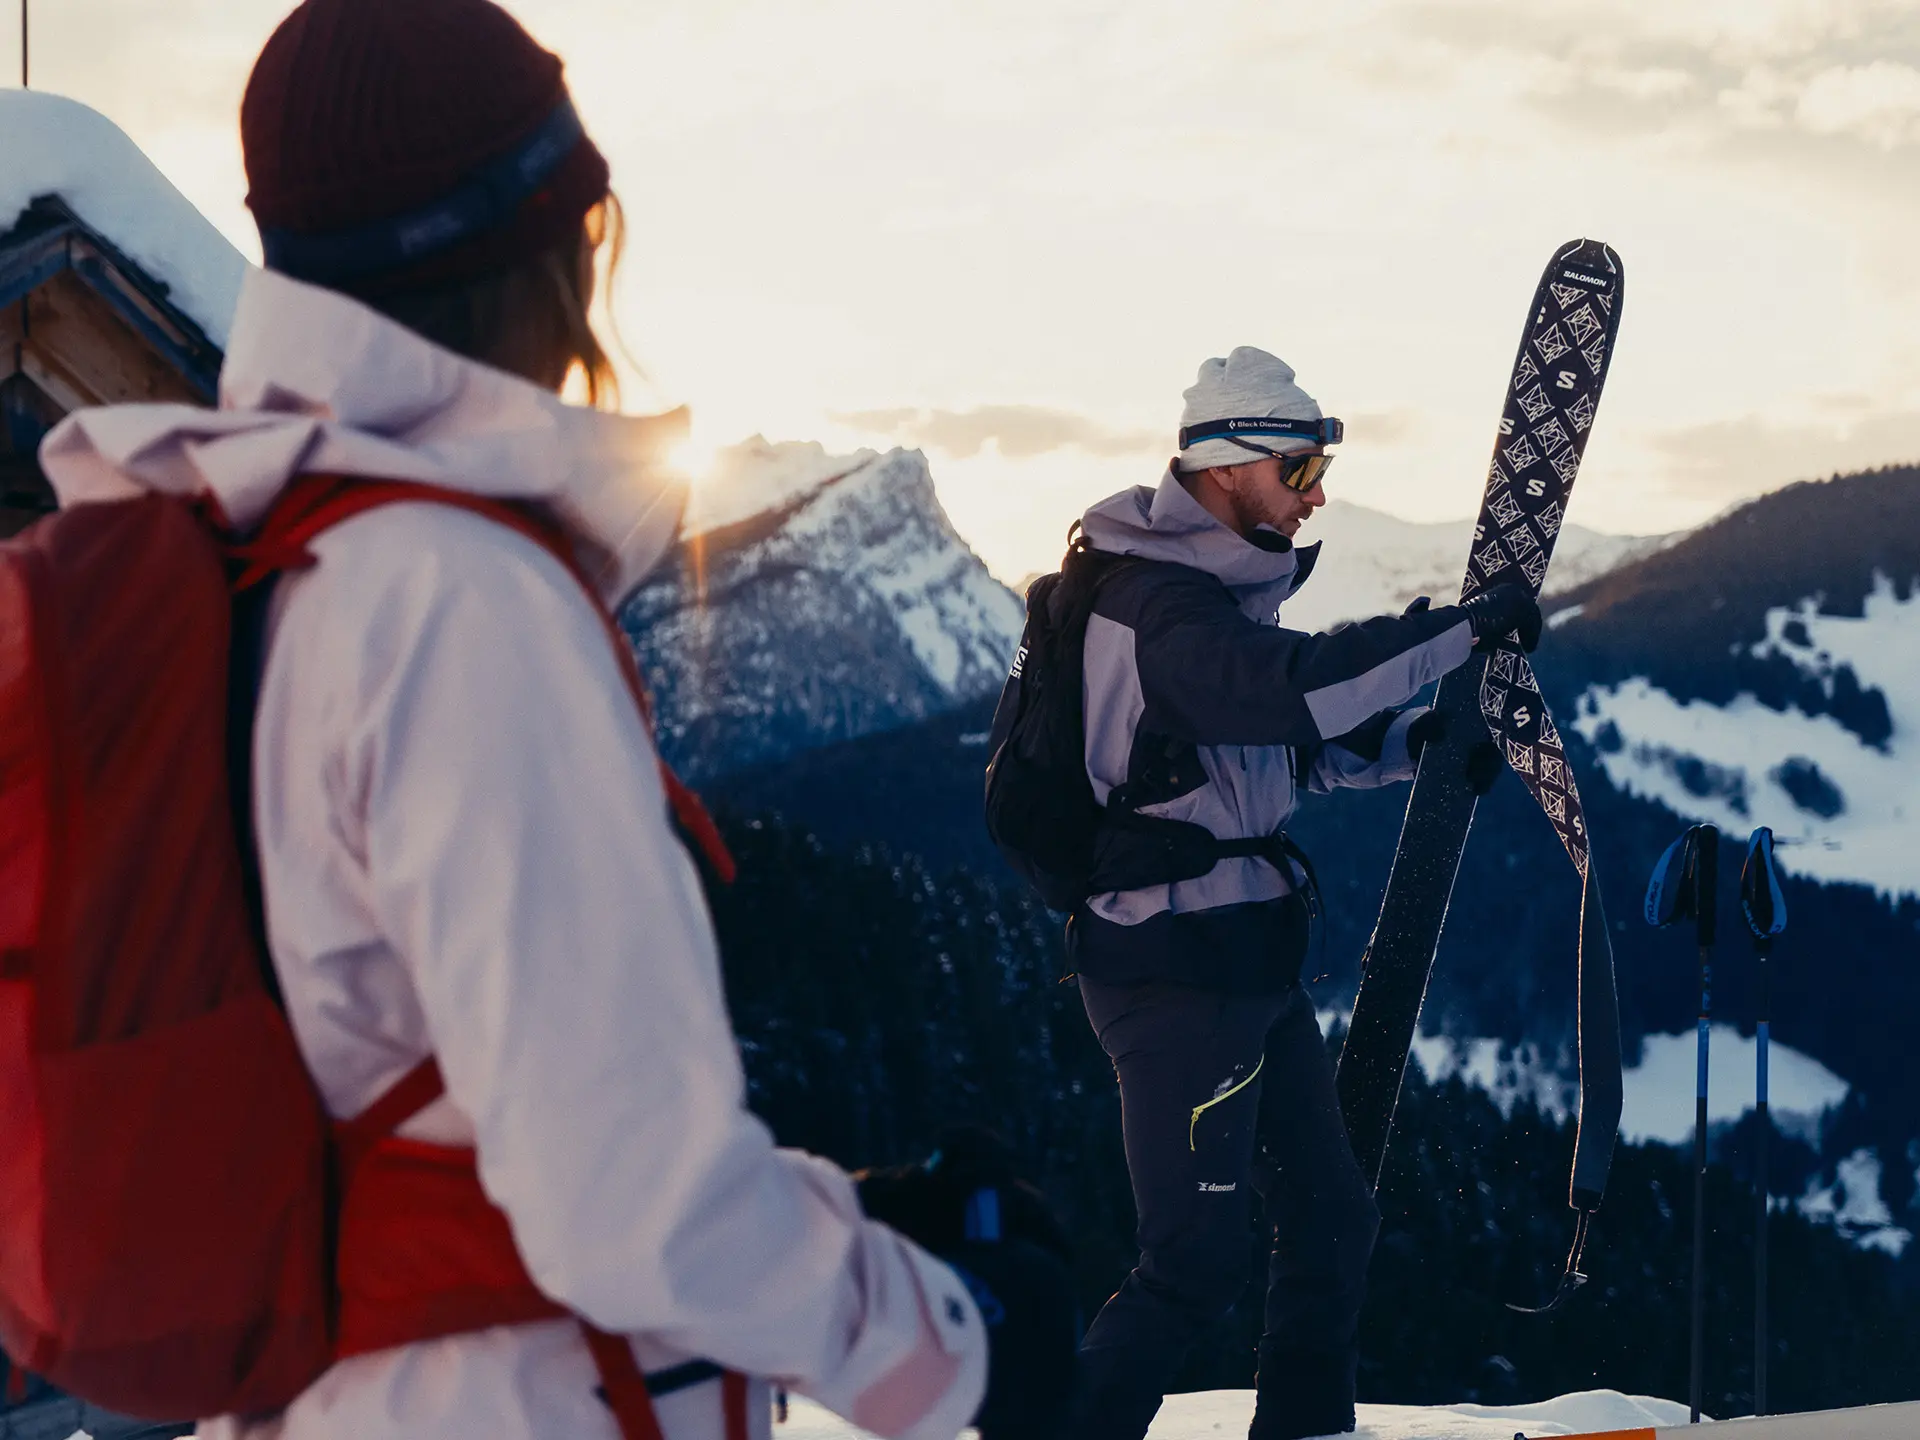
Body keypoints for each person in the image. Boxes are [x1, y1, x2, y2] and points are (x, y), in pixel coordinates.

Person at [36, 2, 1064, 1437]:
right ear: (550, 244)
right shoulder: (457, 601)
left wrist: (848, 1212)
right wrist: (955, 1342)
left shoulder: (256, 573)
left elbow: (420, 1097)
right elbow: (629, 1202)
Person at [1066, 347, 1540, 1440]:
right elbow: (1294, 693)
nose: (1317, 491)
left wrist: (1418, 744)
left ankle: (1310, 1430)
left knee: (1331, 1218)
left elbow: (1278, 754)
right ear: (1225, 464)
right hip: (1174, 977)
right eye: (1300, 466)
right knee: (1191, 1265)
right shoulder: (1156, 613)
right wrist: (1459, 631)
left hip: (1244, 967)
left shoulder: (1206, 601)